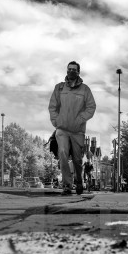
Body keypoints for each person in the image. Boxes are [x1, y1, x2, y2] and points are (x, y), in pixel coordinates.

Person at [48, 61, 96, 196]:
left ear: (78, 72)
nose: (71, 71)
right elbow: (53, 106)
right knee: (63, 153)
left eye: (74, 69)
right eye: (69, 69)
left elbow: (91, 107)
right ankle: (67, 185)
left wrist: (80, 119)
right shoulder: (59, 88)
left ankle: (79, 181)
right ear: (66, 71)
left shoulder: (85, 89)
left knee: (77, 159)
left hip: (78, 130)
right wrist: (56, 121)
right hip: (62, 129)